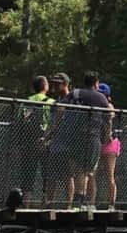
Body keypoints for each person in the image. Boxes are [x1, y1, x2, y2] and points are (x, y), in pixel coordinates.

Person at [71, 73, 113, 209]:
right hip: (93, 137)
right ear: (95, 83)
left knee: (78, 170)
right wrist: (107, 134)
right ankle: (81, 201)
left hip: (75, 136)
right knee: (88, 171)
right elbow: (108, 118)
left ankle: (79, 200)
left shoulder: (76, 93)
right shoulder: (100, 97)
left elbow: (62, 107)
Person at [10, 75, 54, 205]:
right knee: (48, 173)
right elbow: (54, 122)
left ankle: (26, 203)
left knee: (28, 173)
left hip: (28, 142)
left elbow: (19, 121)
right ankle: (46, 202)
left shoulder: (26, 101)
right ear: (45, 86)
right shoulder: (51, 102)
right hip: (45, 142)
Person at [46, 73, 84, 208]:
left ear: (66, 84)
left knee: (68, 176)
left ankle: (68, 205)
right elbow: (53, 124)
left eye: (58, 83)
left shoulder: (73, 99)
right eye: (53, 83)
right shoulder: (55, 103)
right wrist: (47, 138)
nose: (55, 86)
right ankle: (49, 205)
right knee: (51, 177)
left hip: (68, 145)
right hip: (55, 145)